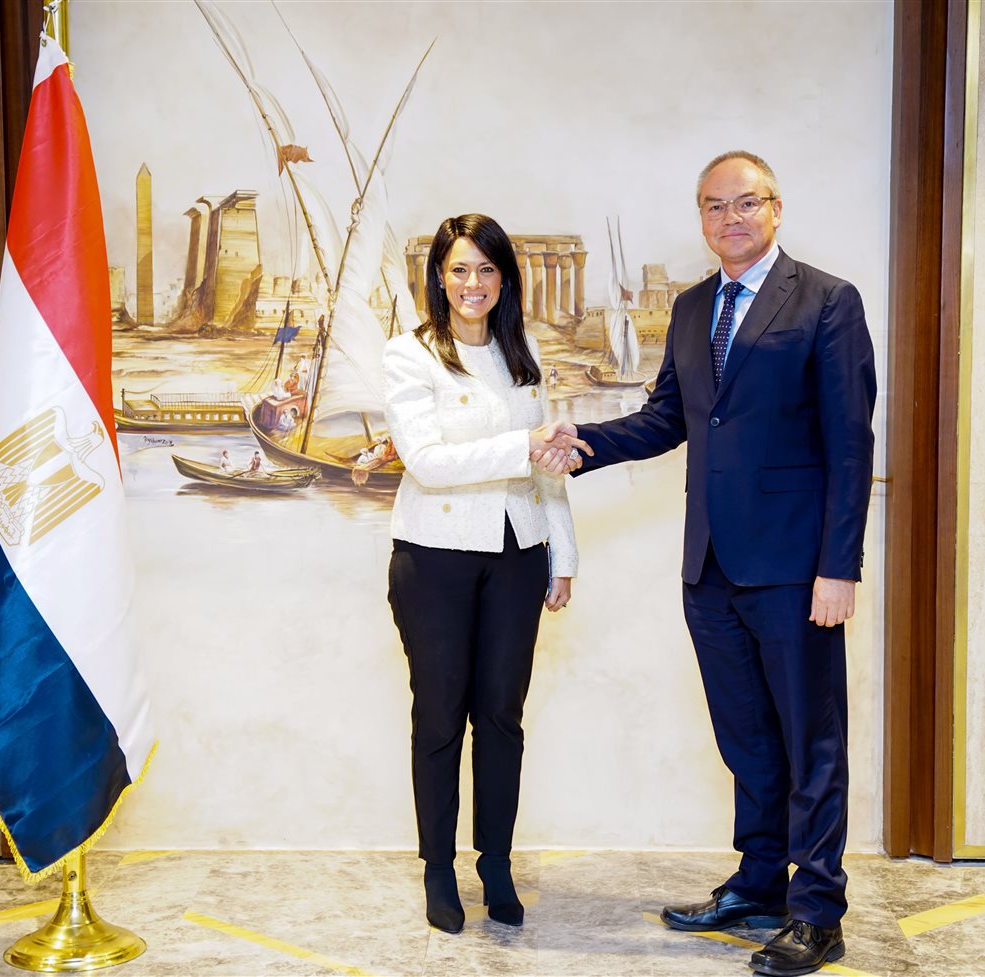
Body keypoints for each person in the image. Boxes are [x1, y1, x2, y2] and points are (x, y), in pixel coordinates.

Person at [542, 152, 875, 976]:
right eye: (715, 206)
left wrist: (839, 567)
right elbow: (668, 419)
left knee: (812, 743)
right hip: (711, 569)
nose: (731, 217)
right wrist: (585, 444)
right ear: (701, 218)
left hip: (795, 570)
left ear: (776, 208)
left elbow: (849, 443)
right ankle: (759, 884)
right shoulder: (695, 308)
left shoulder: (827, 300)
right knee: (747, 739)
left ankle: (817, 911)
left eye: (745, 203)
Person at [382, 213, 591, 935]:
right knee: (440, 715)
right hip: (434, 555)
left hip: (517, 553)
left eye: (487, 269)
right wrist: (523, 444)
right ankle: (438, 868)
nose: (474, 283)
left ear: (505, 278)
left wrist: (563, 556)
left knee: (501, 714)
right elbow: (427, 463)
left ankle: (495, 862)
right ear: (439, 278)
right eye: (460, 269)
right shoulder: (409, 355)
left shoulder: (522, 352)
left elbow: (548, 468)